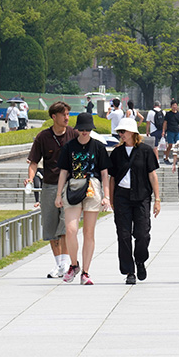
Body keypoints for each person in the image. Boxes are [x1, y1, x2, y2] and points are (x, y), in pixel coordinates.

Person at [55, 113, 111, 285]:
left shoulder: (99, 147)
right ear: (77, 129)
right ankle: (74, 264)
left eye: (88, 129)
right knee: (71, 230)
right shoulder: (69, 146)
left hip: (92, 187)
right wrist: (58, 195)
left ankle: (85, 271)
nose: (85, 132)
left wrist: (107, 196)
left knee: (89, 232)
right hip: (73, 187)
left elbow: (104, 173)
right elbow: (64, 171)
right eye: (82, 129)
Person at [26, 101, 78, 279]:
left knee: (65, 227)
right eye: (63, 115)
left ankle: (64, 264)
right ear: (53, 117)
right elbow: (34, 162)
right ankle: (60, 265)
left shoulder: (74, 134)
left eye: (68, 115)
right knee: (51, 228)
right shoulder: (43, 137)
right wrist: (30, 178)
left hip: (70, 186)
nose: (66, 118)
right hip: (49, 185)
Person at [108, 117, 161, 285]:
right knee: (123, 235)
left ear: (133, 133)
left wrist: (157, 199)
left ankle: (140, 260)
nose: (121, 134)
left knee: (142, 234)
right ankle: (129, 270)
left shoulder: (145, 151)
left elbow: (153, 175)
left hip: (141, 196)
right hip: (122, 196)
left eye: (124, 131)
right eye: (120, 132)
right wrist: (111, 199)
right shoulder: (117, 153)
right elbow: (112, 178)